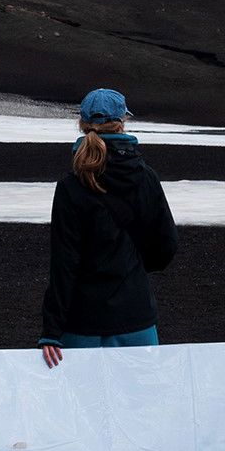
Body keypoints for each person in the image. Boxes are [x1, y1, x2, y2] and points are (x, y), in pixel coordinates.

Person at [39, 88, 178, 368]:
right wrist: (133, 265)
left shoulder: (71, 186)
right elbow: (167, 247)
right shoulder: (146, 177)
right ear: (122, 122)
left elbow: (64, 264)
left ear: (82, 124)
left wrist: (51, 332)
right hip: (136, 317)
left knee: (80, 410)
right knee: (140, 406)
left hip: (81, 324)